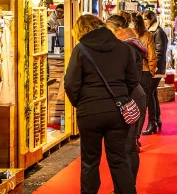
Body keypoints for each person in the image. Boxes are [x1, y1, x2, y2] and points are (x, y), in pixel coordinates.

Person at [65, 15, 138, 194]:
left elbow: (70, 84)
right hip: (117, 111)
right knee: (119, 159)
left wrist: (80, 103)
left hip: (89, 111)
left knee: (90, 161)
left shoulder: (80, 49)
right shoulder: (123, 48)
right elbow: (133, 80)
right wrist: (121, 96)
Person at [104, 15, 147, 184]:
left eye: (109, 31)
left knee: (125, 147)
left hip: (130, 97)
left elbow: (120, 75)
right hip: (135, 95)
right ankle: (129, 186)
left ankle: (126, 188)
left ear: (119, 30)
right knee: (129, 146)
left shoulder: (125, 47)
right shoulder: (133, 43)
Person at [132, 14, 158, 135]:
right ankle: (137, 134)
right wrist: (151, 71)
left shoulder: (128, 35)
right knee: (143, 103)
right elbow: (152, 56)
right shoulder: (148, 35)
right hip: (144, 71)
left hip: (132, 71)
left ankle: (131, 132)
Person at [144, 10, 168, 135]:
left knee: (149, 93)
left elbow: (159, 52)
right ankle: (156, 120)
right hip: (154, 68)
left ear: (151, 19)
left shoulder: (158, 32)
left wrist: (153, 68)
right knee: (152, 94)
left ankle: (152, 121)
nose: (144, 21)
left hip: (156, 69)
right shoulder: (154, 31)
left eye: (146, 19)